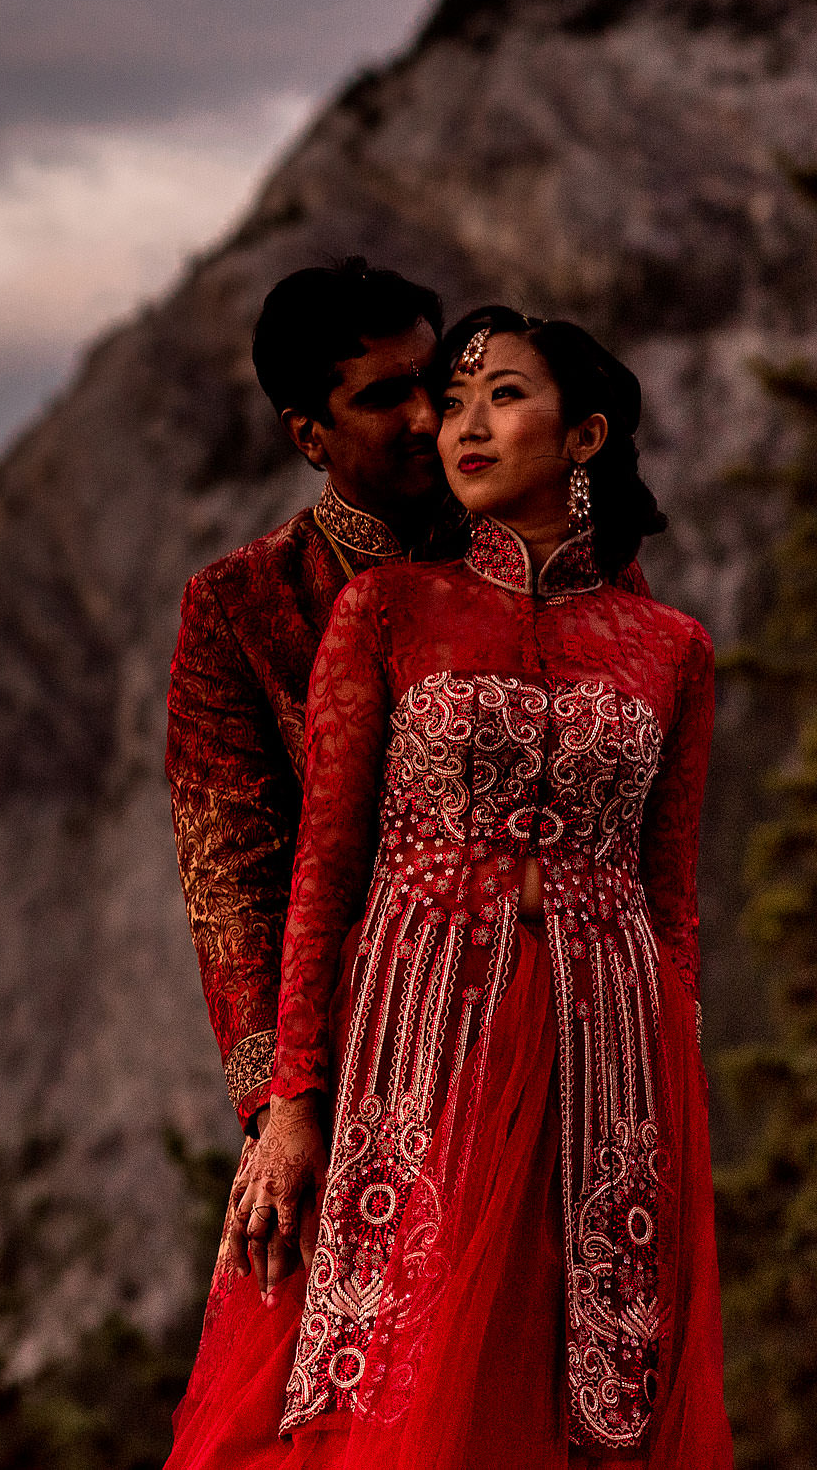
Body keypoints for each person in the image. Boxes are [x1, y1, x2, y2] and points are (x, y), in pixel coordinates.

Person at [167, 308, 732, 1468]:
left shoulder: (665, 642)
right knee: (396, 1370)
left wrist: (674, 1072)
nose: (452, 422)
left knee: (592, 1377)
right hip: (423, 1024)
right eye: (438, 397)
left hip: (610, 1042)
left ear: (583, 436)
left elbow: (667, 896)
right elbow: (307, 870)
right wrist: (286, 1099)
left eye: (494, 396)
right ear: (305, 431)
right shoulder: (382, 610)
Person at [167, 259, 446, 1214]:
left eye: (434, 380)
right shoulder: (239, 607)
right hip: (358, 1046)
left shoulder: (539, 557)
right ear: (307, 435)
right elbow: (231, 876)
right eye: (383, 397)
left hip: (553, 1011)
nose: (425, 417)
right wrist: (281, 1104)